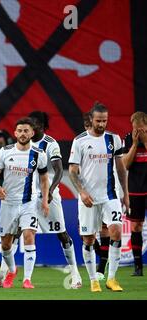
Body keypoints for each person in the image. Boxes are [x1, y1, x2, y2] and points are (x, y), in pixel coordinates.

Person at [69, 102, 129, 292]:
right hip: (88, 199)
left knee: (117, 232)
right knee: (88, 240)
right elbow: (72, 171)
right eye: (98, 120)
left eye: (105, 120)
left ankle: (111, 279)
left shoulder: (114, 139)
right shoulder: (79, 141)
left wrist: (125, 194)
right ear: (91, 120)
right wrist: (82, 192)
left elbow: (120, 167)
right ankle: (94, 280)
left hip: (110, 195)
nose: (102, 124)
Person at [0, 117, 50, 289]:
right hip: (8, 203)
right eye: (20, 131)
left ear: (32, 133)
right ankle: (12, 270)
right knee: (6, 244)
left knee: (29, 236)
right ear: (15, 133)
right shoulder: (5, 152)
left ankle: (27, 279)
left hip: (28, 203)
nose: (23, 134)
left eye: (26, 131)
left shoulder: (39, 154)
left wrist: (44, 200)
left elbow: (44, 179)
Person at [83, 111, 111, 281]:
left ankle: (102, 265)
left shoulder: (109, 141)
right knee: (85, 233)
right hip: (86, 193)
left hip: (106, 192)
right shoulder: (81, 142)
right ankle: (101, 256)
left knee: (105, 227)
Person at [122, 111, 147, 276]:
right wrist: (135, 144)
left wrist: (145, 141)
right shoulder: (129, 138)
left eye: (140, 128)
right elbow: (125, 164)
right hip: (136, 190)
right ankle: (138, 266)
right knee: (136, 226)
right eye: (134, 128)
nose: (137, 131)